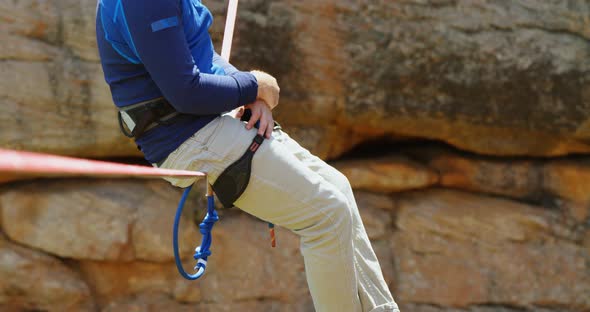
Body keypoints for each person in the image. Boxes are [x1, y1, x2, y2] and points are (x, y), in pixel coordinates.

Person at [95, 0, 399, 311]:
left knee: (339, 188)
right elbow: (186, 92)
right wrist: (254, 84)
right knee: (327, 216)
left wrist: (250, 92)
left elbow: (199, 57)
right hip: (188, 138)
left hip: (208, 122)